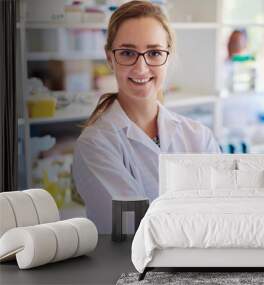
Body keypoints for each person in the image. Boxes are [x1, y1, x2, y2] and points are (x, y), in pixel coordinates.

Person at [72, 0, 221, 233]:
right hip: (130, 268)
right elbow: (136, 230)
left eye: (154, 53)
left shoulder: (198, 137)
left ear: (168, 56)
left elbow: (222, 214)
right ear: (110, 58)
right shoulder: (96, 145)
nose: (141, 68)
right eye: (128, 53)